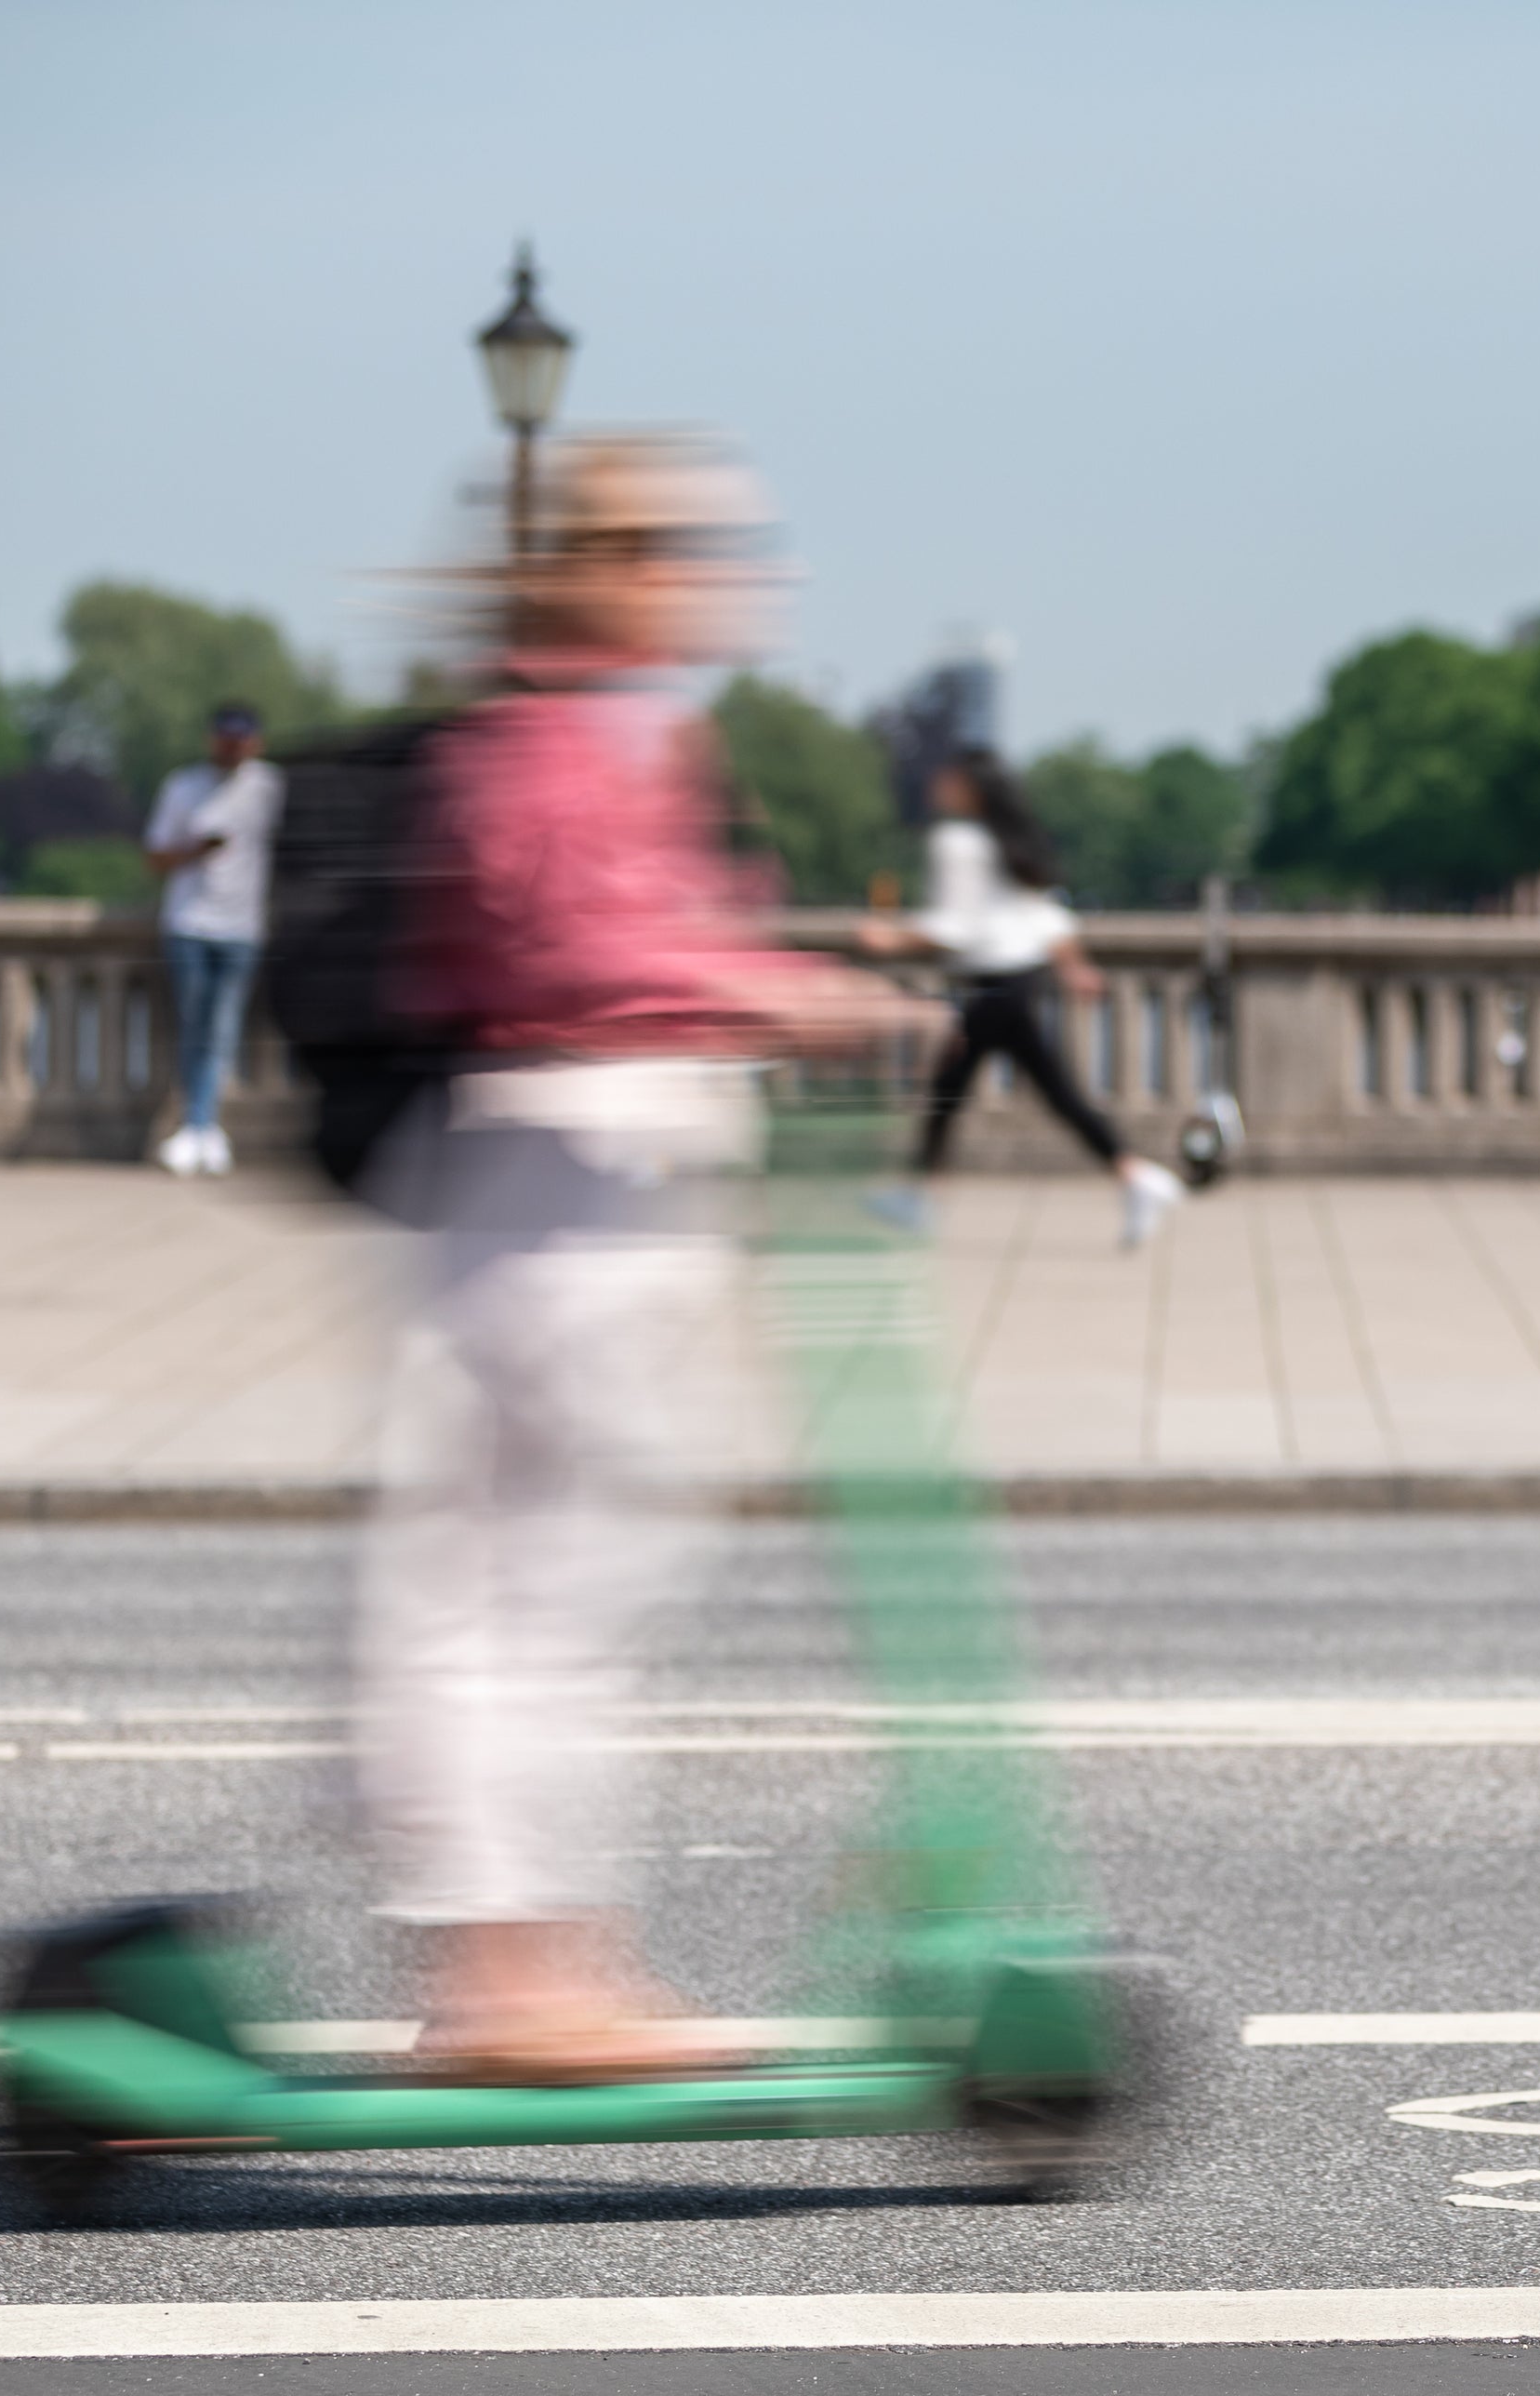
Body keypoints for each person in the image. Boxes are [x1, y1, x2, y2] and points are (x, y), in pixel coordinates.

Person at [357, 431, 934, 2082]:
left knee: (529, 1570)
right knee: (555, 1572)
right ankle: (515, 1976)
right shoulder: (554, 739)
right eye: (705, 548)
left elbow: (594, 929)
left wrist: (772, 974)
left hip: (570, 1181)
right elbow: (574, 942)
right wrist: (777, 992)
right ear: (623, 565)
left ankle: (528, 1959)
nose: (738, 579)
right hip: (570, 1184)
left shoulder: (570, 729)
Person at [865, 749, 1185, 1249]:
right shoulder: (1006, 840)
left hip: (997, 984)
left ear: (967, 785)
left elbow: (957, 927)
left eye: (945, 774)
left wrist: (893, 939)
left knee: (951, 1088)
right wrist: (1074, 967)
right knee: (1051, 1091)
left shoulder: (959, 841)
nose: (936, 782)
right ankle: (1134, 1175)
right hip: (1021, 981)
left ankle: (923, 1196)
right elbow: (1046, 916)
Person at [141, 703, 282, 1177]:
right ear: (212, 739)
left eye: (242, 739)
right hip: (190, 924)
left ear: (255, 743)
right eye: (226, 738)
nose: (233, 747)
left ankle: (203, 1126)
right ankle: (199, 1127)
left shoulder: (270, 789)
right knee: (194, 1027)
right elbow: (155, 857)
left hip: (243, 927)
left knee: (220, 1031)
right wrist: (195, 853)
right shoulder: (184, 788)